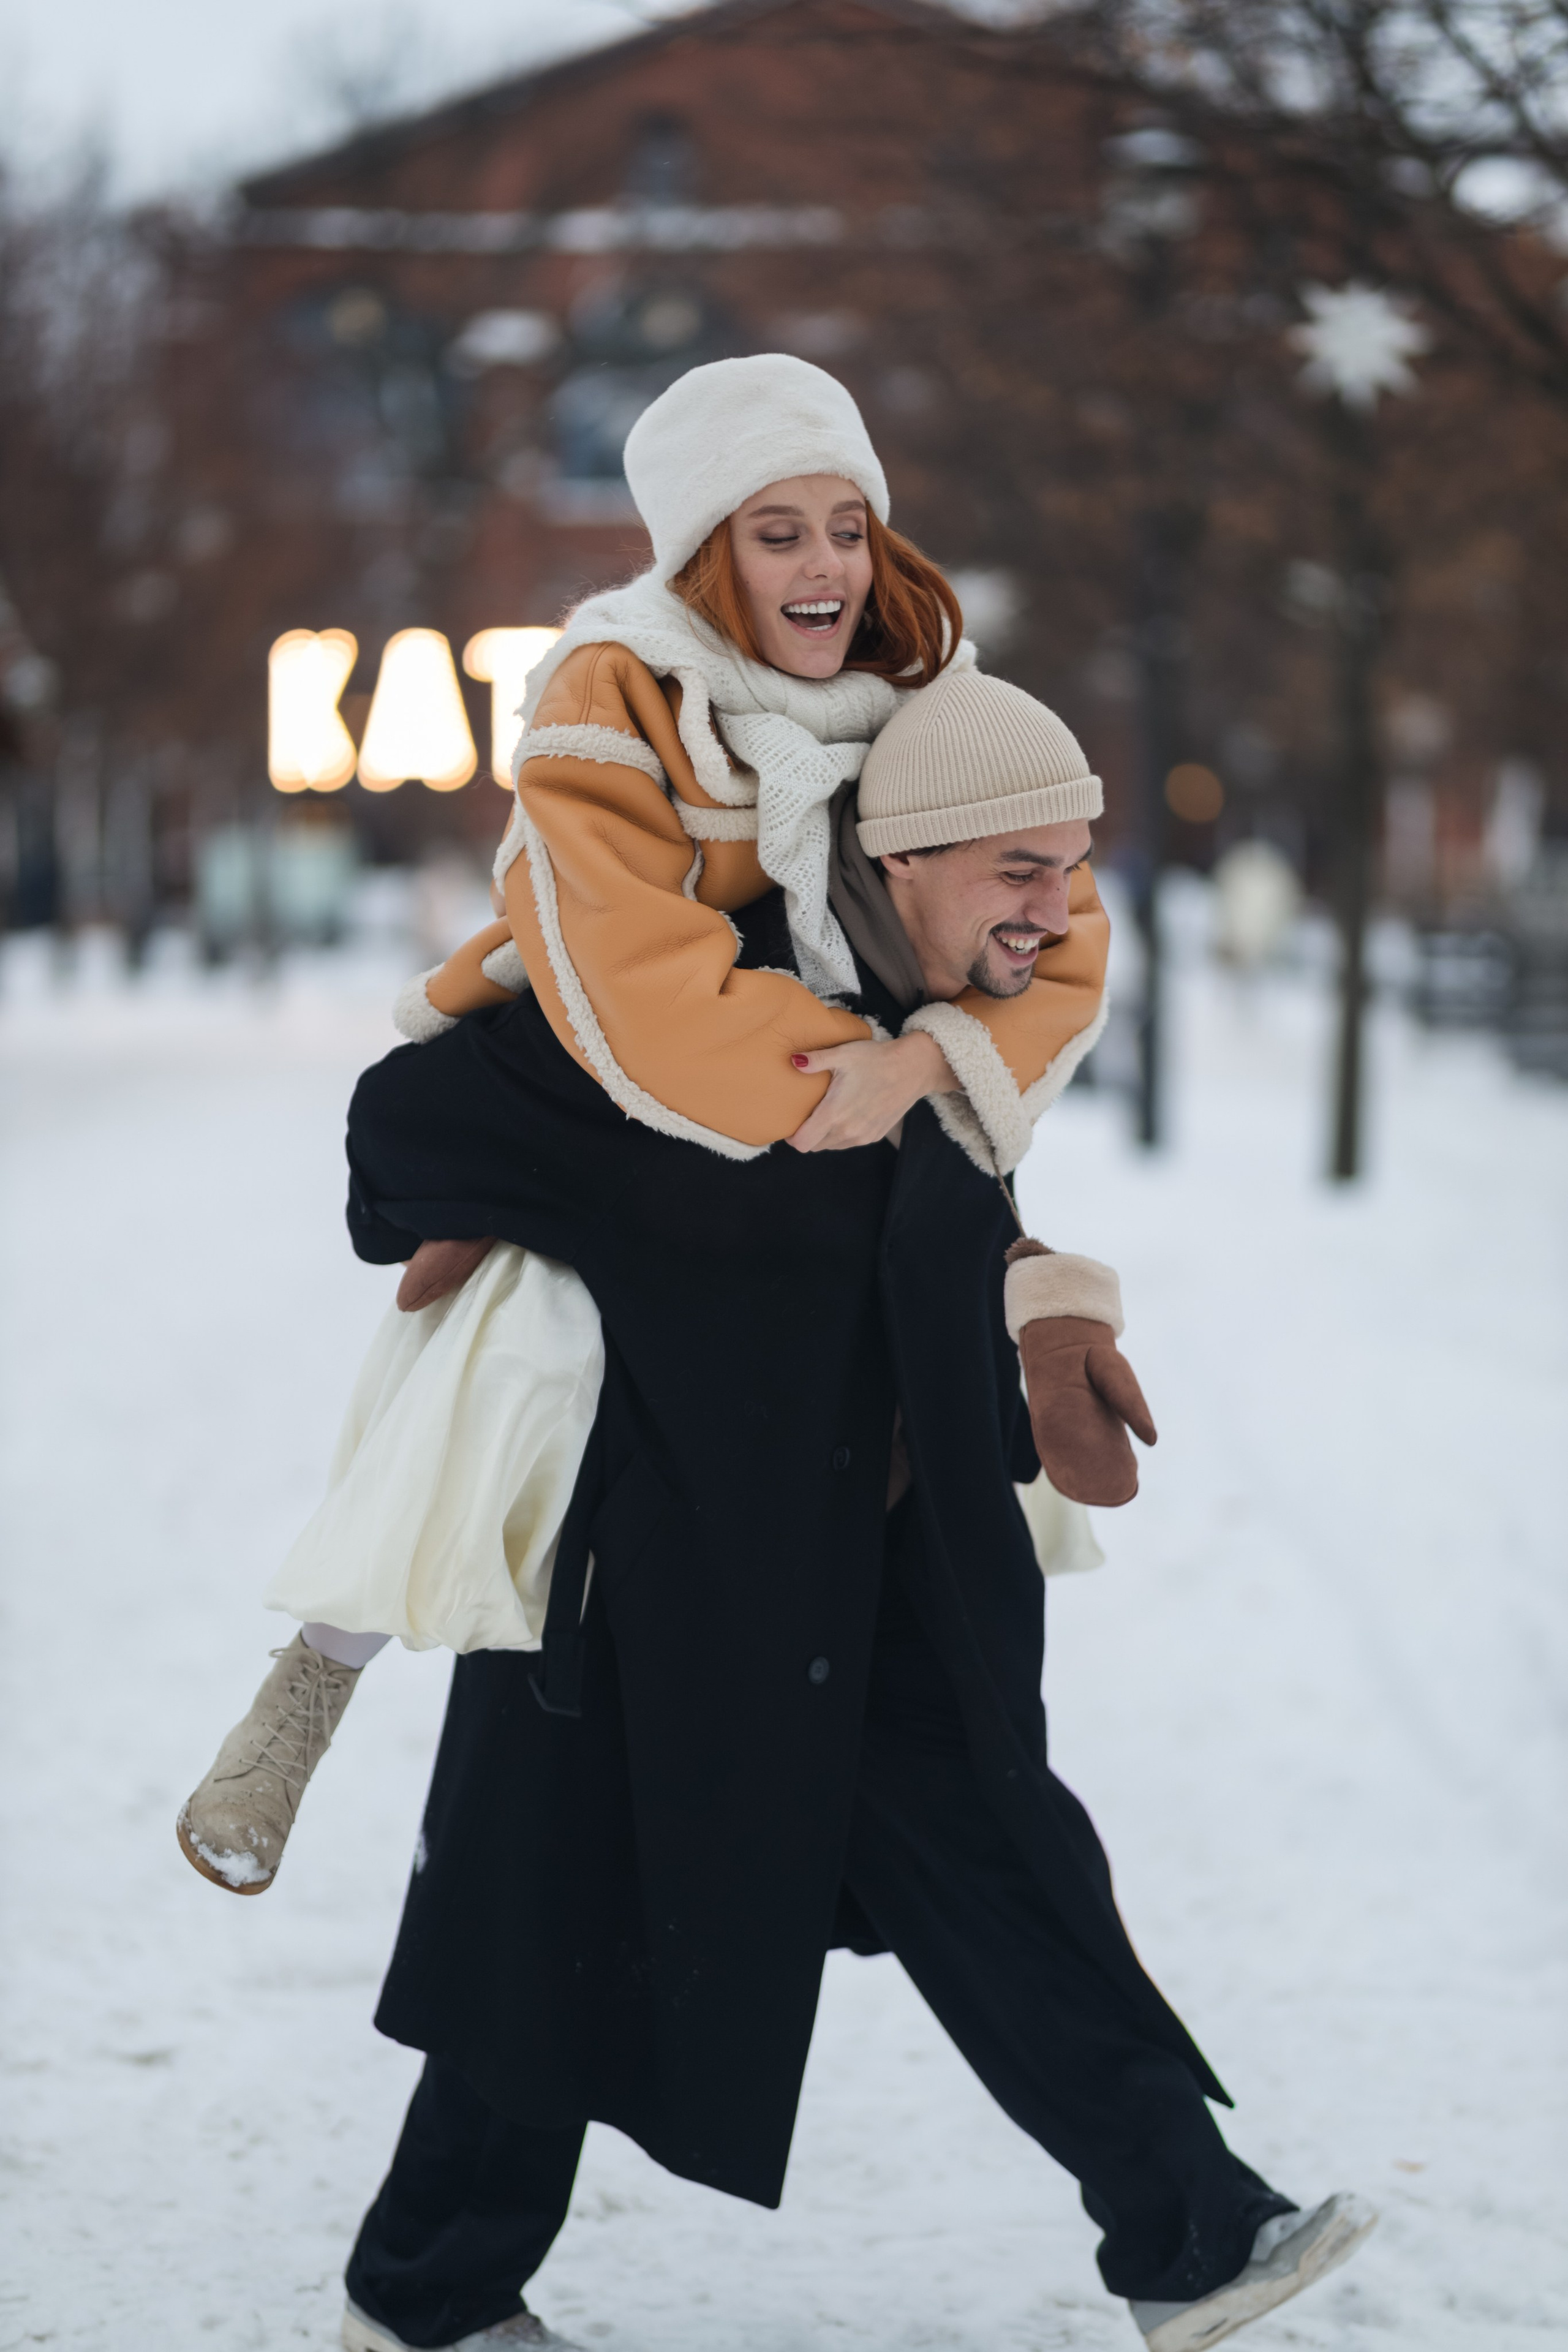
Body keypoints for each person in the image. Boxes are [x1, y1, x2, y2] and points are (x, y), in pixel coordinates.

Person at [181, 358, 1376, 2352]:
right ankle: (434, 2273)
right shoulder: (612, 706)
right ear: (696, 551)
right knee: (553, 1877)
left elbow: (1036, 942)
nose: (821, 563)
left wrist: (957, 1113)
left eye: (843, 521)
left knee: (986, 1829)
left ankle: (1190, 2229)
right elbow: (507, 1080)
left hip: (865, 1466)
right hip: (649, 1479)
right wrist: (868, 1095)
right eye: (773, 528)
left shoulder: (932, 716)